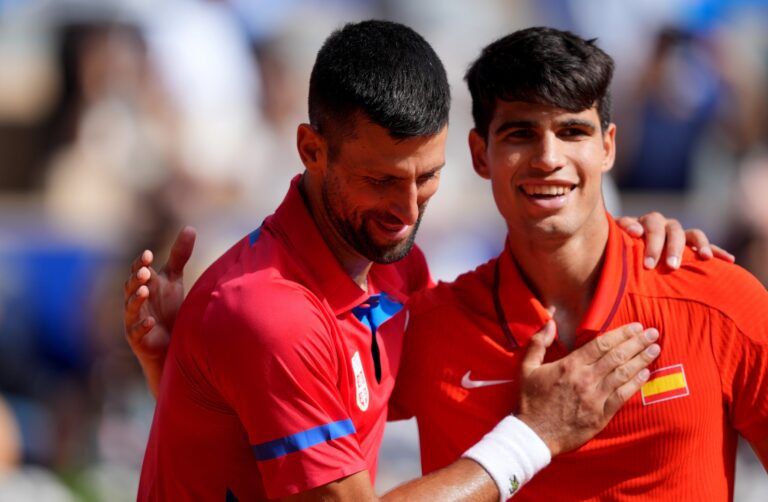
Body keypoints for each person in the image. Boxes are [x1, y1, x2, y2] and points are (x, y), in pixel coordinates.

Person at [124, 21, 731, 501]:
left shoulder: (392, 266)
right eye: (381, 180)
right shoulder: (267, 312)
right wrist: (534, 434)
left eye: (427, 177)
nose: (407, 210)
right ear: (311, 148)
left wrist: (613, 239)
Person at [389, 27, 768, 500]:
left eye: (572, 131)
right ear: (479, 155)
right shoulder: (426, 332)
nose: (548, 158)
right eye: (520, 134)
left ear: (608, 146)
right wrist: (533, 435)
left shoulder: (718, 297)